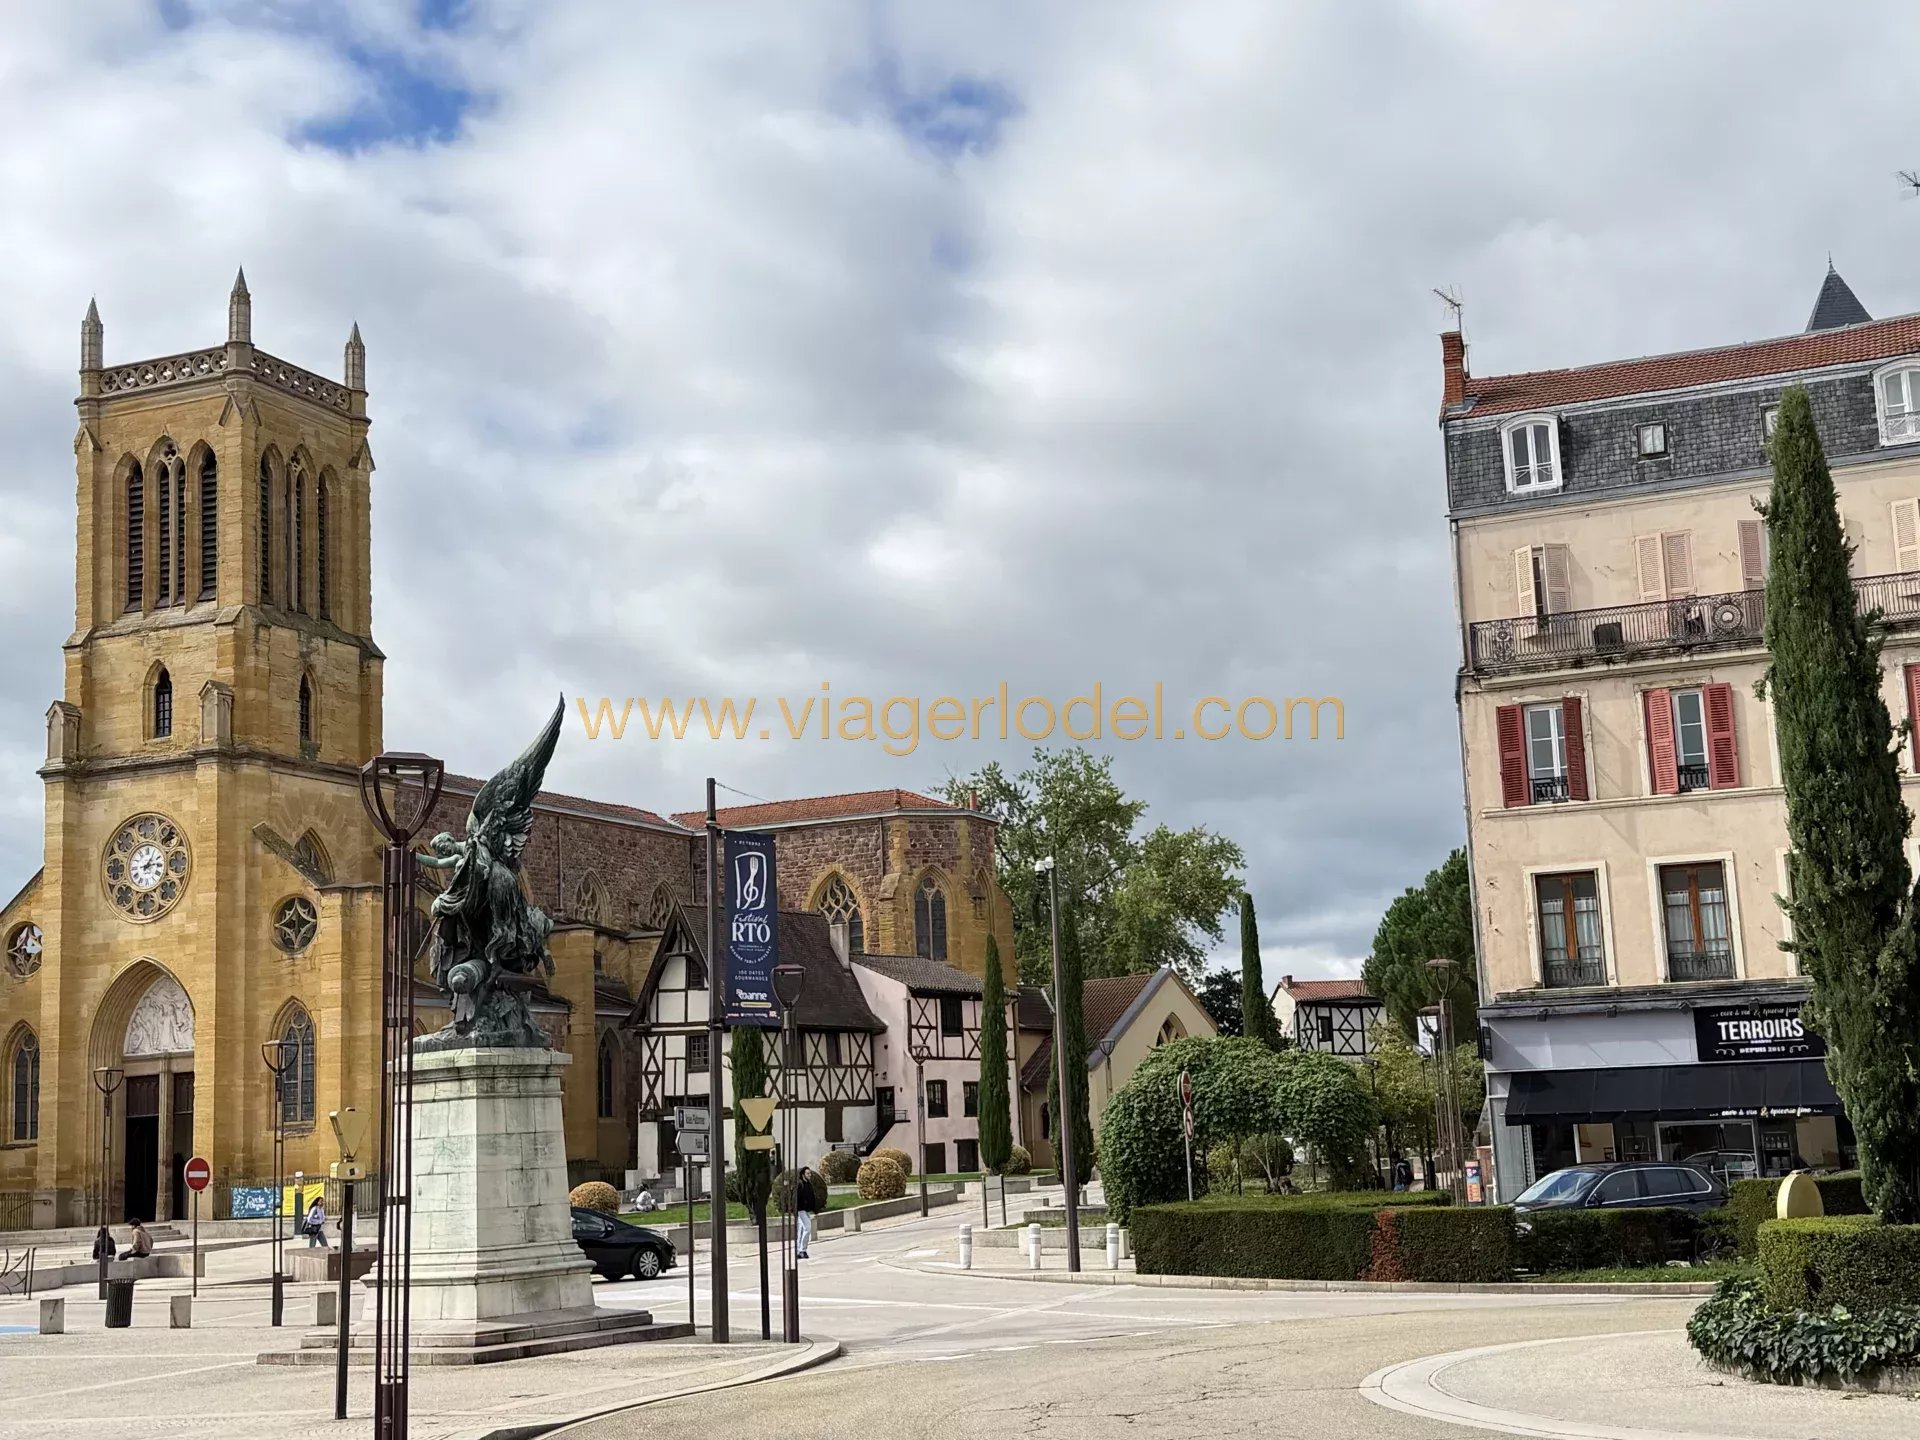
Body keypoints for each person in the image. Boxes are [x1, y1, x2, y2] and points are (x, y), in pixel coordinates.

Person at [794, 1165, 820, 1260]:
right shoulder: (799, 1185)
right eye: (807, 1173)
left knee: (801, 1230)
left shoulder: (809, 1184)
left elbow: (812, 1198)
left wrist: (815, 1209)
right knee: (807, 1228)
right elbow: (795, 1199)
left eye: (810, 1173)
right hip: (801, 1210)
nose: (809, 1175)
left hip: (807, 1210)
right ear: (803, 1175)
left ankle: (798, 1251)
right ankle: (803, 1250)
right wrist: (795, 1210)